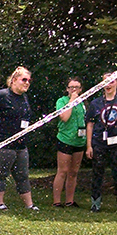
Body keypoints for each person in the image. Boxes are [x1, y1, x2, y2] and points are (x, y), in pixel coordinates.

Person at [0, 67, 38, 211]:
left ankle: (29, 205)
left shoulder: (24, 97)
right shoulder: (2, 95)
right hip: (1, 143)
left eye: (29, 80)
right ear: (14, 80)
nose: (27, 83)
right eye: (24, 79)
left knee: (23, 175)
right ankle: (0, 204)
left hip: (20, 146)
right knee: (1, 174)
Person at [85, 73, 117, 213]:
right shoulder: (96, 103)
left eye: (111, 81)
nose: (108, 84)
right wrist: (89, 146)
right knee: (97, 174)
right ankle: (95, 203)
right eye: (106, 82)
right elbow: (90, 124)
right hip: (99, 143)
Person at [52, 78, 87, 207]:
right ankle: (56, 201)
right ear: (67, 89)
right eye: (71, 87)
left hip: (79, 141)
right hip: (65, 139)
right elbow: (64, 117)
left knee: (74, 172)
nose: (74, 90)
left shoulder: (83, 102)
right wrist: (72, 100)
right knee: (62, 171)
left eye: (77, 87)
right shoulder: (62, 101)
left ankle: (69, 201)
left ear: (81, 89)